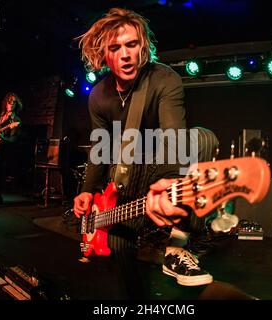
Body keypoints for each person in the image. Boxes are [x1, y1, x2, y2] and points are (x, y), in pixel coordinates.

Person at [73, 8, 218, 287]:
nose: (125, 54)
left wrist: (171, 184)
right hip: (125, 176)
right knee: (121, 254)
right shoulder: (99, 96)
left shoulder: (164, 79)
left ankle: (177, 247)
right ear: (104, 55)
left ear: (143, 47)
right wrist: (88, 190)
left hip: (162, 164)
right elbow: (100, 146)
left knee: (201, 138)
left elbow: (173, 135)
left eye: (132, 44)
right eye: (115, 48)